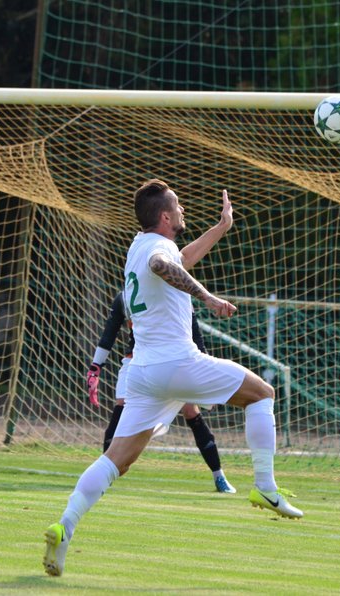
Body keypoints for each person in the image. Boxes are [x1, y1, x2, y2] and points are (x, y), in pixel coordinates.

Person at [44, 179, 302, 577]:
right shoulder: (156, 253)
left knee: (116, 461)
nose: (182, 211)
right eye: (178, 207)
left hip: (143, 374)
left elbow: (176, 258)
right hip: (176, 363)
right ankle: (265, 488)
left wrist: (221, 228)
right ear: (165, 217)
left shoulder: (138, 244)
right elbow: (164, 266)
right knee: (262, 393)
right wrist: (209, 298)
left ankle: (65, 525)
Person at [86, 290, 236, 493]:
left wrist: (207, 373)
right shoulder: (125, 297)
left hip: (174, 360)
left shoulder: (178, 295)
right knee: (122, 407)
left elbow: (195, 334)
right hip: (138, 361)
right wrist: (95, 367)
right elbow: (108, 334)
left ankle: (219, 476)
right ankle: (104, 478)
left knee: (191, 412)